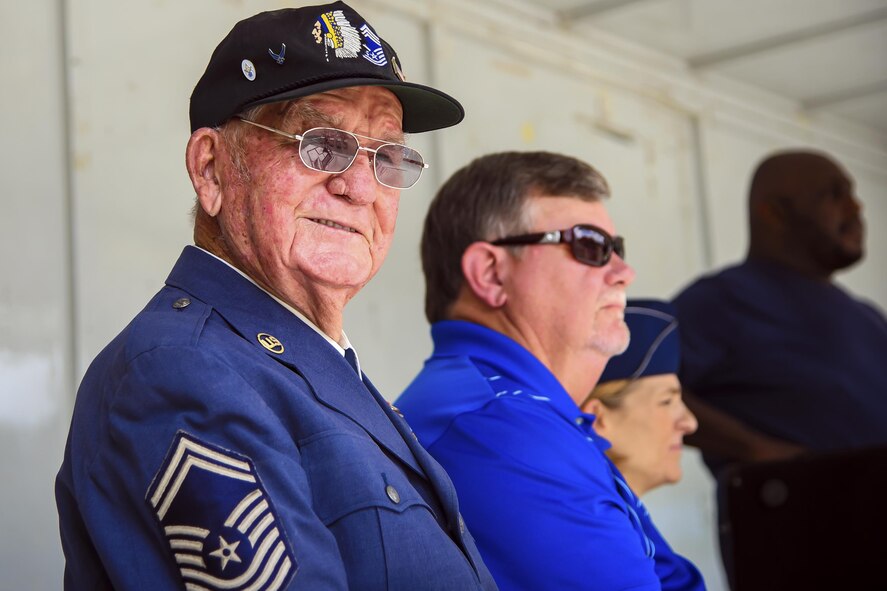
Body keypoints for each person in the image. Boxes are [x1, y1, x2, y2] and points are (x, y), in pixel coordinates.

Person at [55, 4, 497, 590]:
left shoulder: (306, 368)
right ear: (211, 169)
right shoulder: (182, 372)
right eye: (321, 144)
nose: (360, 187)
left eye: (387, 156)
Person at [397, 150, 675, 590]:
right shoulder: (498, 431)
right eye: (590, 245)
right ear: (490, 273)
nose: (624, 272)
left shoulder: (522, 414)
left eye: (616, 250)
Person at [672, 149, 887, 475]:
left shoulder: (869, 318)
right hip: (798, 515)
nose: (856, 207)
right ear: (774, 213)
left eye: (853, 194)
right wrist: (754, 447)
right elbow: (633, 385)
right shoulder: (722, 299)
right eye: (833, 194)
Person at [583, 299, 704, 590]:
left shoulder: (624, 526)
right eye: (667, 401)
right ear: (597, 418)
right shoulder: (591, 537)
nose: (690, 423)